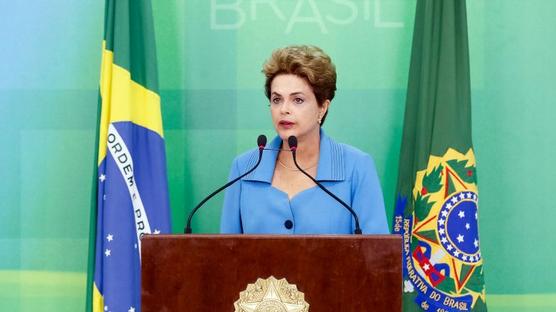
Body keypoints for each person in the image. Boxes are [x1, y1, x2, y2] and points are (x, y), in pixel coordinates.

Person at [220, 45, 389, 234]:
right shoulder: (245, 168)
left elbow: (376, 257)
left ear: (322, 108)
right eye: (277, 99)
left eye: (297, 100)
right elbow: (227, 254)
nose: (284, 109)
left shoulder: (356, 167)